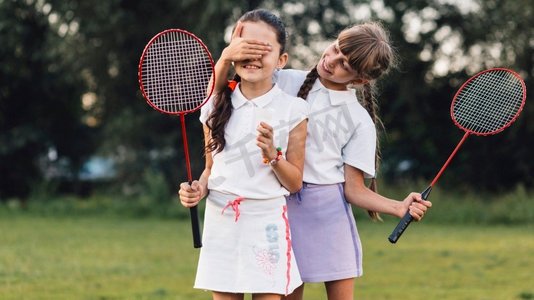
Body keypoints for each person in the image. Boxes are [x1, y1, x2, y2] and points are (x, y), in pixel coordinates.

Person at [211, 19, 432, 300]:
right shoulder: (284, 79)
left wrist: (398, 207)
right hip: (278, 206)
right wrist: (229, 54)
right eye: (336, 48)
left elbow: (354, 189)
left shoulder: (359, 121)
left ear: (360, 80)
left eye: (346, 65)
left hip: (328, 214)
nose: (332, 60)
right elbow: (220, 98)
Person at [178, 9, 309, 300]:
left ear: (281, 60)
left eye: (263, 49)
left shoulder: (294, 110)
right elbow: (210, 170)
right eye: (245, 47)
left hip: (267, 223)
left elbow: (295, 183)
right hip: (221, 222)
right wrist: (198, 189)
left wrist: (273, 155)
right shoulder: (214, 106)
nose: (252, 56)